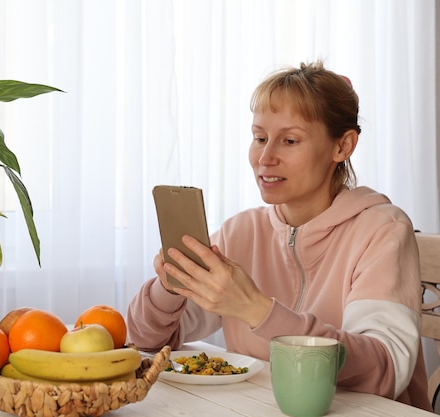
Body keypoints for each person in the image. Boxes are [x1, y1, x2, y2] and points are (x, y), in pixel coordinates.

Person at [126, 61, 432, 411]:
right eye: (259, 138)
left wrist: (257, 310)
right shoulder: (241, 232)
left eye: (289, 140)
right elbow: (146, 340)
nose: (265, 158)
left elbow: (384, 370)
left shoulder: (382, 230)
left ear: (342, 146)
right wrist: (168, 286)